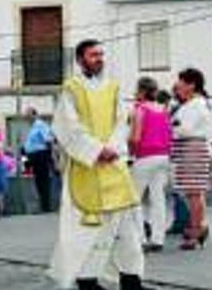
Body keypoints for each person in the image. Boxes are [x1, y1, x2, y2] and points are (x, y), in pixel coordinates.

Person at [49, 39, 149, 290]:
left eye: (101, 54)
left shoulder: (113, 87)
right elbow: (67, 125)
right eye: (94, 55)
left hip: (114, 165)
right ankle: (87, 280)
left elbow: (121, 121)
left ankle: (131, 279)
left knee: (128, 228)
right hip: (86, 167)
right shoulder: (71, 88)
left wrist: (112, 148)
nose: (99, 59)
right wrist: (95, 150)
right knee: (90, 230)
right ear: (81, 59)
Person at [127, 77, 172, 253]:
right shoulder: (163, 110)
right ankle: (158, 239)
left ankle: (140, 238)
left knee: (134, 199)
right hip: (163, 157)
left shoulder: (139, 110)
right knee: (158, 199)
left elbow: (135, 138)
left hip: (145, 157)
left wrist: (129, 148)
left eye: (137, 90)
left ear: (142, 91)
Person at [170, 68, 212, 251]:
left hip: (191, 147)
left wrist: (171, 125)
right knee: (193, 193)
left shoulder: (196, 104)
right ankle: (199, 228)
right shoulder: (192, 103)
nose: (178, 85)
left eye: (181, 82)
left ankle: (196, 231)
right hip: (188, 148)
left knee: (193, 193)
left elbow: (186, 129)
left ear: (191, 84)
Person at [24, 107, 55, 213]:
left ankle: (46, 206)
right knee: (38, 181)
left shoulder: (40, 125)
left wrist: (50, 156)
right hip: (34, 156)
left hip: (41, 155)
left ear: (34, 115)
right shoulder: (32, 127)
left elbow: (48, 139)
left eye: (28, 115)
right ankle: (42, 205)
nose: (26, 118)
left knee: (43, 180)